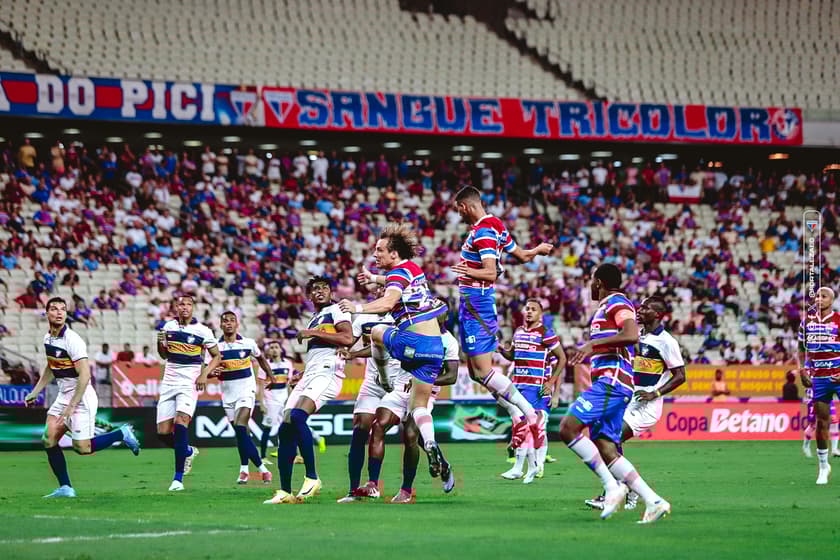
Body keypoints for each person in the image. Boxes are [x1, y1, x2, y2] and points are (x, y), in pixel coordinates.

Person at [341, 223, 455, 493]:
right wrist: (373, 278)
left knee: (376, 330)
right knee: (418, 408)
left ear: (394, 254)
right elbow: (394, 283)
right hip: (433, 350)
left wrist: (356, 307)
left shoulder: (397, 272)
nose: (375, 254)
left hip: (411, 343)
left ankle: (383, 378)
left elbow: (387, 302)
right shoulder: (414, 270)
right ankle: (431, 446)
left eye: (379, 250)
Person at [561, 263, 670, 523]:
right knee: (606, 446)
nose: (589, 285)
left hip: (612, 383)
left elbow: (631, 334)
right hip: (614, 383)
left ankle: (612, 487)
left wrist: (592, 344)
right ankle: (654, 500)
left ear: (598, 282)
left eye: (591, 280)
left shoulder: (617, 302)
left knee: (567, 428)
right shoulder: (606, 307)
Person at [449, 186, 553, 449]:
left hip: (477, 304)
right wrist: (538, 249)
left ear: (464, 206)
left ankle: (528, 415)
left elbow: (491, 273)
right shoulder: (496, 226)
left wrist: (466, 272)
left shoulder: (483, 233)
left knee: (483, 370)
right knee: (475, 372)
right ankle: (519, 414)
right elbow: (523, 256)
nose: (457, 214)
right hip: (474, 305)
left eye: (457, 209)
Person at [24, 297, 140, 498]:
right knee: (49, 439)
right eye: (54, 309)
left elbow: (85, 376)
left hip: (81, 395)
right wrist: (36, 391)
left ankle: (122, 434)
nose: (59, 312)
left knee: (82, 448)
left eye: (63, 309)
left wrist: (71, 406)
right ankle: (66, 488)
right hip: (64, 395)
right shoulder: (48, 339)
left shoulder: (72, 340)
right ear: (47, 313)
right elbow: (51, 366)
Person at [586, 297, 686, 510]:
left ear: (657, 314)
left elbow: (680, 375)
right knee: (606, 440)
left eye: (646, 308)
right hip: (628, 399)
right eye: (639, 307)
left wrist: (656, 392)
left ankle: (614, 492)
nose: (639, 311)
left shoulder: (667, 342)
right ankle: (627, 489)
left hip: (646, 406)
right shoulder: (635, 337)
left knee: (609, 440)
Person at [264, 277, 353, 505]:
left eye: (324, 288)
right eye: (315, 289)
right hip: (312, 372)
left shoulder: (336, 310)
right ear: (309, 296)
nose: (320, 291)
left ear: (331, 292)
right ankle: (285, 491)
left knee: (297, 417)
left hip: (329, 372)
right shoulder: (315, 318)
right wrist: (302, 374)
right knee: (285, 426)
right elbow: (317, 354)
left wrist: (313, 333)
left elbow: (347, 338)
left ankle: (312, 477)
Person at [337, 286, 401, 502]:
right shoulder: (363, 318)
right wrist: (343, 350)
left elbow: (379, 346)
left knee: (410, 434)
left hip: (399, 381)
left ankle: (375, 483)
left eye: (387, 289)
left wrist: (354, 353)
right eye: (379, 289)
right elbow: (348, 341)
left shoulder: (402, 317)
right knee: (359, 429)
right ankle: (354, 490)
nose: (382, 291)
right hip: (373, 382)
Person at [156, 294, 222, 492]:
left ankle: (178, 479)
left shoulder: (203, 331)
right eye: (181, 304)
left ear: (193, 308)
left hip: (189, 383)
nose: (184, 307)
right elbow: (163, 355)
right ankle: (188, 451)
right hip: (169, 381)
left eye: (188, 304)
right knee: (162, 432)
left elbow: (217, 356)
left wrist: (204, 374)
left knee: (180, 423)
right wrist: (160, 343)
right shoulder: (168, 327)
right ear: (176, 307)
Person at [497, 299, 566, 484]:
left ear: (540, 314)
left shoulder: (545, 333)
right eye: (527, 308)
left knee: (531, 427)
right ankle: (524, 468)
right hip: (518, 385)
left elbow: (562, 358)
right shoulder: (518, 332)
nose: (529, 312)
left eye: (533, 309)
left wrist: (551, 384)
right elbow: (512, 355)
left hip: (535, 387)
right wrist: (501, 350)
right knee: (521, 427)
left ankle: (529, 467)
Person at [214, 311, 275, 484]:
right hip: (228, 394)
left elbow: (261, 359)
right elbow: (209, 370)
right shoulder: (215, 347)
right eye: (225, 321)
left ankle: (262, 470)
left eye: (232, 320)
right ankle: (245, 470)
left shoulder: (248, 343)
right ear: (220, 325)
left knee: (240, 427)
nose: (228, 323)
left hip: (246, 391)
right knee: (242, 435)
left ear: (237, 324)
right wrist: (212, 373)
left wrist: (271, 376)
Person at [798, 287, 840, 484]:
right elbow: (800, 348)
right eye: (817, 296)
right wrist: (802, 370)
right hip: (820, 379)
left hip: (838, 375)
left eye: (824, 296)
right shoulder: (807, 322)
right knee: (822, 423)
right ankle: (823, 466)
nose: (819, 299)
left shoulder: (838, 320)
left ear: (832, 300)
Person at [257, 341, 293, 463]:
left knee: (288, 427)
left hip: (284, 400)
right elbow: (261, 386)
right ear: (268, 351)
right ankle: (262, 457)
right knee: (267, 428)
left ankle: (288, 453)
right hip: (271, 401)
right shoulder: (265, 365)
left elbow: (289, 383)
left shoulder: (288, 364)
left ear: (281, 350)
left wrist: (290, 399)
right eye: (271, 348)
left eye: (276, 347)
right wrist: (262, 403)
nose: (274, 350)